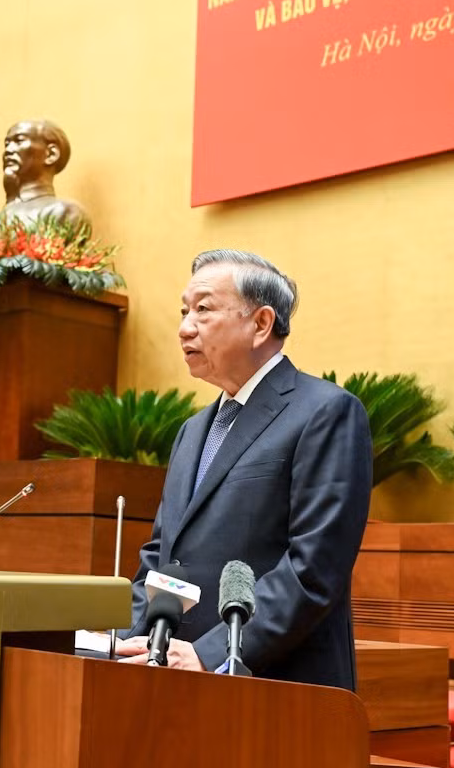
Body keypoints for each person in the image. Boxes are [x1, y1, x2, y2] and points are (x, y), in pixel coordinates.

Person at [114, 250, 372, 689]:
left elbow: (313, 570)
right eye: (183, 310)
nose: (184, 327)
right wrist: (127, 639)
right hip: (177, 683)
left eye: (203, 309)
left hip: (274, 686)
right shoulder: (192, 431)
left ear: (260, 324)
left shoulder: (326, 412)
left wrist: (210, 652)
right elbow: (161, 556)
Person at [0, 119, 90, 230]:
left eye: (19, 141)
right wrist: (11, 201)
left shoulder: (64, 212)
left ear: (51, 154)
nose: (8, 150)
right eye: (7, 144)